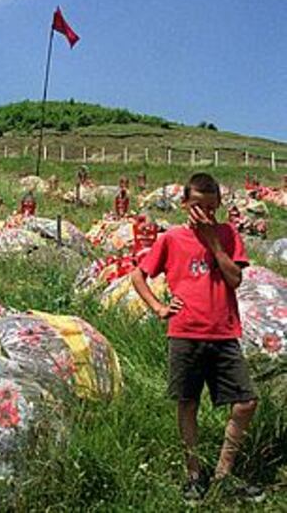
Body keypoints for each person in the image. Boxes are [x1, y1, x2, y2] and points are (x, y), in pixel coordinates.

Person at [131, 173, 259, 501]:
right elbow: (138, 275)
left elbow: (235, 280)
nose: (205, 213)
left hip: (224, 331)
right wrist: (158, 307)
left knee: (246, 402)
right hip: (185, 332)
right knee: (188, 403)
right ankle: (193, 474)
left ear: (218, 206)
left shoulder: (228, 234)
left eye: (212, 207)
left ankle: (222, 474)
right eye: (198, 206)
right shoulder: (172, 238)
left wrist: (214, 242)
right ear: (185, 204)